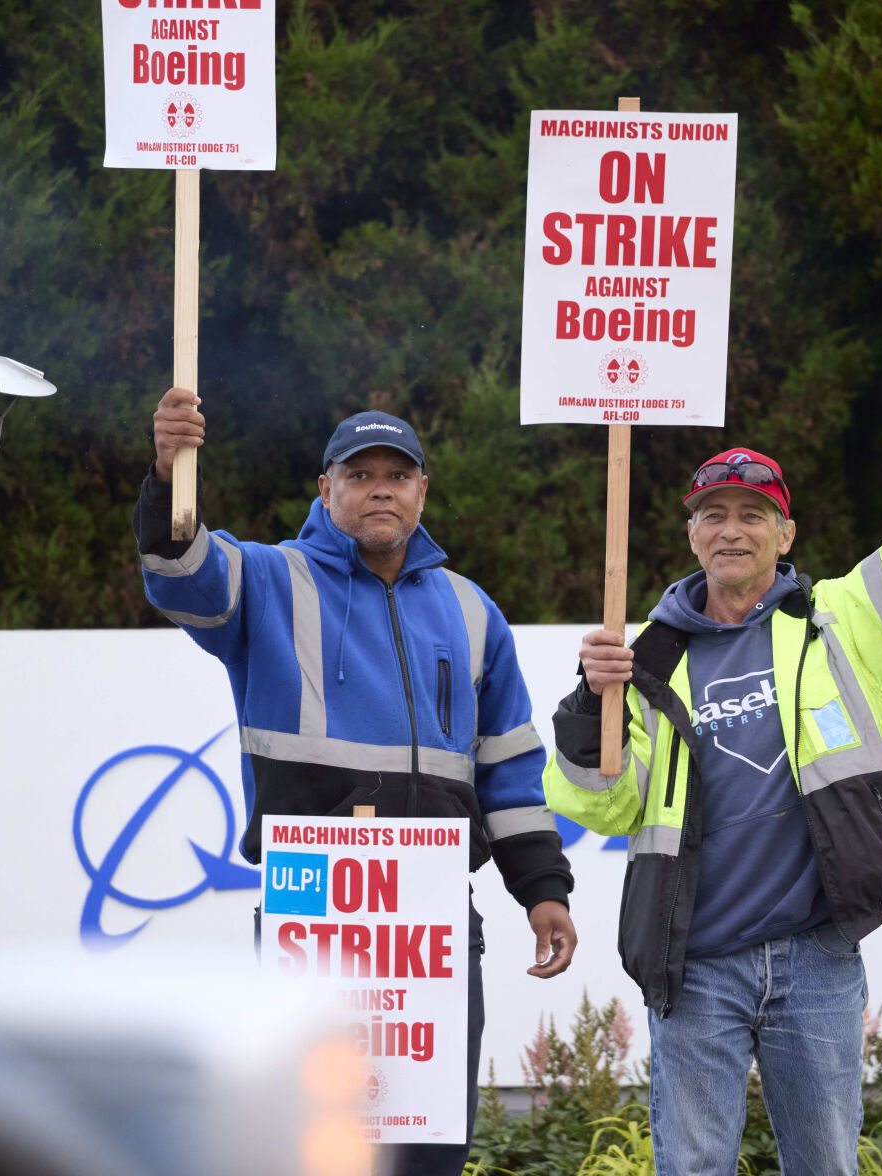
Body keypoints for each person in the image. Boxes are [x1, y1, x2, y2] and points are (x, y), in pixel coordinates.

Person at [544, 367, 882, 1176]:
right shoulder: (644, 661)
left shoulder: (845, 622)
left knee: (826, 1167)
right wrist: (584, 708)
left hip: (816, 959)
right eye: (712, 515)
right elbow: (604, 806)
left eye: (751, 514)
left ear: (785, 533)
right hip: (693, 965)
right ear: (691, 535)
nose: (730, 530)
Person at [135, 387, 578, 1176]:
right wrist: (171, 474)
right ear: (325, 490)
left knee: (429, 1147)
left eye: (397, 474)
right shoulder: (270, 580)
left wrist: (543, 889)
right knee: (314, 1146)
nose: (380, 487)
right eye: (360, 473)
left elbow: (508, 769)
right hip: (317, 912)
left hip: (433, 920)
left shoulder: (473, 612)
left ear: (421, 491)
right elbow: (180, 572)